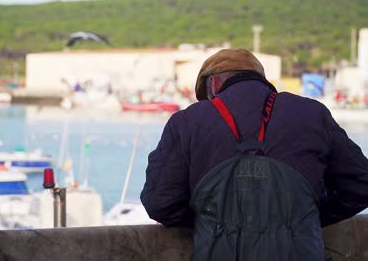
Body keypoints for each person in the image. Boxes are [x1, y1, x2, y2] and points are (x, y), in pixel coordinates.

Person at [140, 48, 368, 260]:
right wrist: (306, 217)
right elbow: (361, 184)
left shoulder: (187, 121)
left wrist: (208, 220)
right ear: (261, 79)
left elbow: (160, 202)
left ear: (214, 83)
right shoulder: (312, 113)